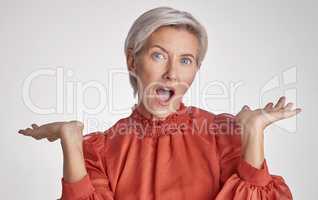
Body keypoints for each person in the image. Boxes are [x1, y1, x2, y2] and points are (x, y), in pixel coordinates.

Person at [18, 6, 301, 200]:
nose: (172, 73)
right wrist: (71, 142)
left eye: (186, 60)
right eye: (158, 55)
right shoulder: (101, 151)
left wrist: (254, 131)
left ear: (196, 70)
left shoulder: (223, 136)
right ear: (132, 61)